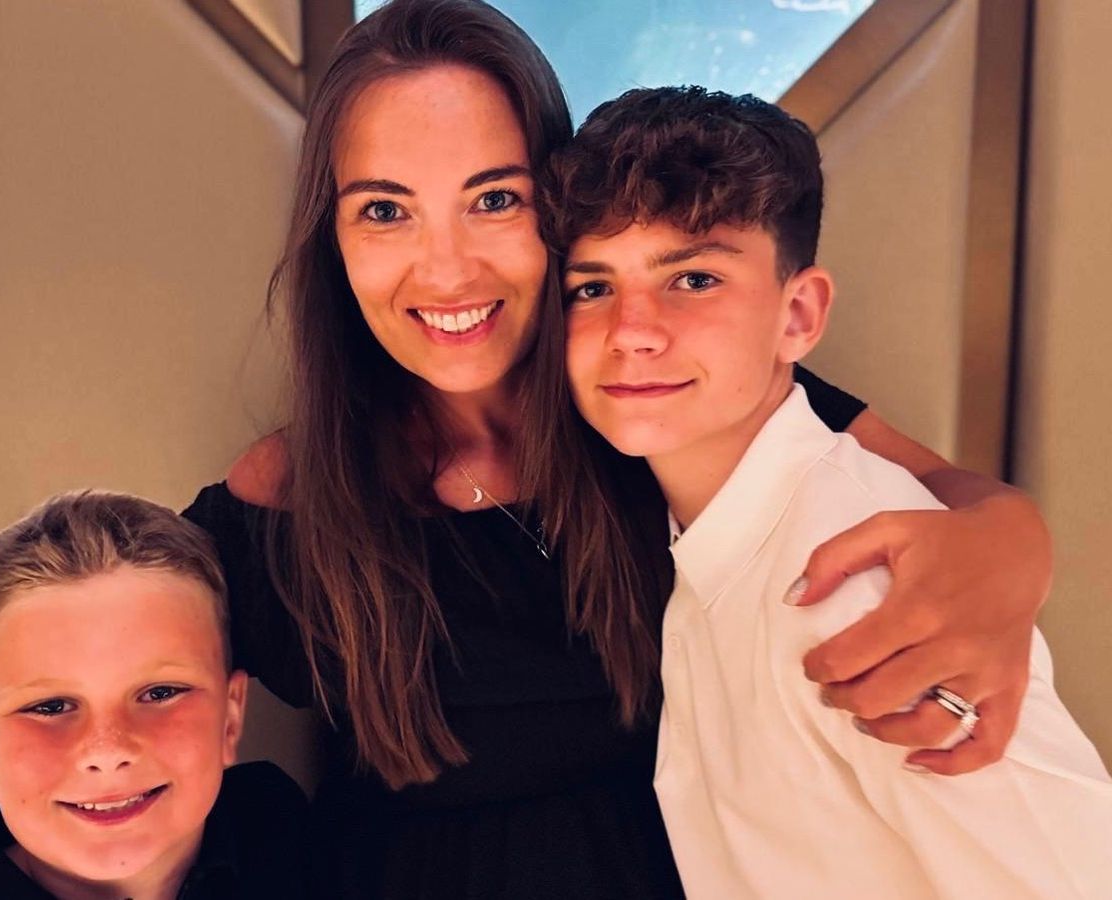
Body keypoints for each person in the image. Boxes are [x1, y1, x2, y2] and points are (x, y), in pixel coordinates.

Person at [183, 0, 1053, 896]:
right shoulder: (287, 496)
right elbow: (117, 679)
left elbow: (946, 492)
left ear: (561, 211)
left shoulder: (658, 395)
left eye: (495, 199)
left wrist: (1012, 547)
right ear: (332, 239)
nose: (446, 269)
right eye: (384, 210)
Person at [554, 86, 1112, 898]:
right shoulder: (709, 548)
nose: (631, 330)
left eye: (695, 279)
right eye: (592, 287)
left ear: (798, 315)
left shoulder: (856, 584)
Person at [0, 492, 309, 900]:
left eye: (159, 692)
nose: (107, 751)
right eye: (51, 706)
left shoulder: (294, 837)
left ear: (230, 717)